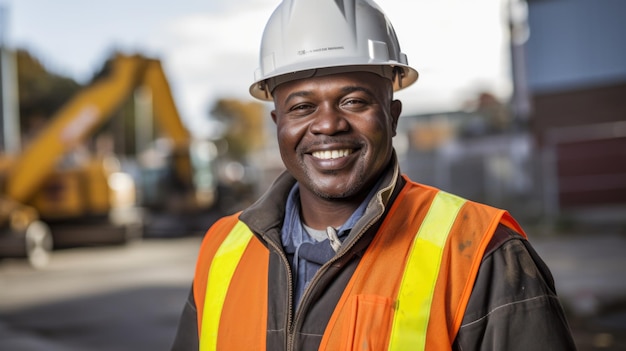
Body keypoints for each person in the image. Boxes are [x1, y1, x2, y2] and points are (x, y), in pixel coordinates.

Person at [171, 0, 577, 349]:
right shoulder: (222, 250)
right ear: (278, 122)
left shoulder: (480, 252)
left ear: (393, 116)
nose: (328, 125)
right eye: (302, 107)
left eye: (354, 101)